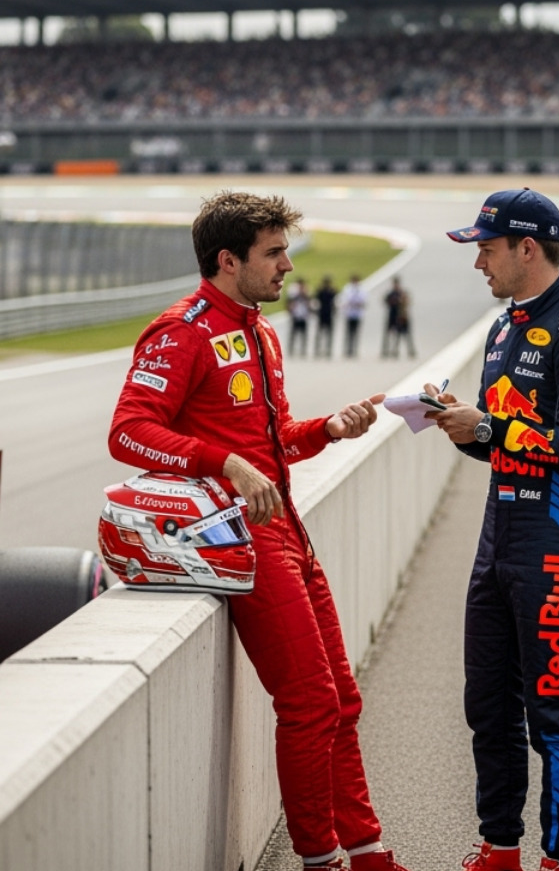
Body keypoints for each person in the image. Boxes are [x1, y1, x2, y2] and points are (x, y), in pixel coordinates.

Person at [108, 192, 409, 871]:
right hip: (233, 541)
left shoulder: (259, 331)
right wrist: (226, 464)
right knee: (308, 701)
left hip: (285, 531)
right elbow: (127, 431)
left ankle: (367, 851)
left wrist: (326, 429)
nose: (288, 267)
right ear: (227, 259)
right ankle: (321, 860)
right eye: (273, 253)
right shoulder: (181, 330)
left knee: (342, 698)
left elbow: (268, 446)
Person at [424, 188, 559, 871]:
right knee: (486, 705)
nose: (478, 261)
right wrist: (463, 423)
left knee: (554, 715)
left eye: (485, 248)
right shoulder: (506, 327)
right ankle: (500, 846)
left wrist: (488, 426)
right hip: (498, 535)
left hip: (556, 541)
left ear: (527, 248)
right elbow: (499, 440)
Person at [340, 275, 367, 358]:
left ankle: (355, 350)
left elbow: (364, 301)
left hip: (357, 314)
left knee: (356, 333)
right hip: (349, 313)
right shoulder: (347, 289)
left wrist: (358, 302)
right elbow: (344, 301)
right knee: (348, 333)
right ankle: (348, 350)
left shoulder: (361, 289)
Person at [288, 277, 312, 357]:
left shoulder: (306, 293)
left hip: (303, 315)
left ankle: (303, 349)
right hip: (296, 315)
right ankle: (291, 349)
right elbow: (290, 302)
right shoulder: (294, 292)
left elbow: (309, 302)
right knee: (294, 333)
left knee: (303, 334)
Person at [315, 276, 338, 358]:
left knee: (328, 333)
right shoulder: (321, 291)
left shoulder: (332, 291)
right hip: (322, 313)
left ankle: (328, 349)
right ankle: (318, 349)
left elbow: (335, 302)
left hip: (328, 313)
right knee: (320, 333)